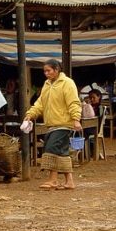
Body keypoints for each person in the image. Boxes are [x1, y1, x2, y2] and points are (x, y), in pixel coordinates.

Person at [22, 59, 82, 190]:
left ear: (56, 70)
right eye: (44, 71)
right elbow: (40, 103)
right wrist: (30, 114)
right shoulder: (47, 84)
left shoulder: (67, 83)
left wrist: (76, 119)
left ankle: (53, 180)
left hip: (63, 123)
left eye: (48, 70)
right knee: (62, 153)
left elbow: (73, 103)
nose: (46, 73)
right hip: (52, 124)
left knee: (51, 148)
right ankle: (69, 181)